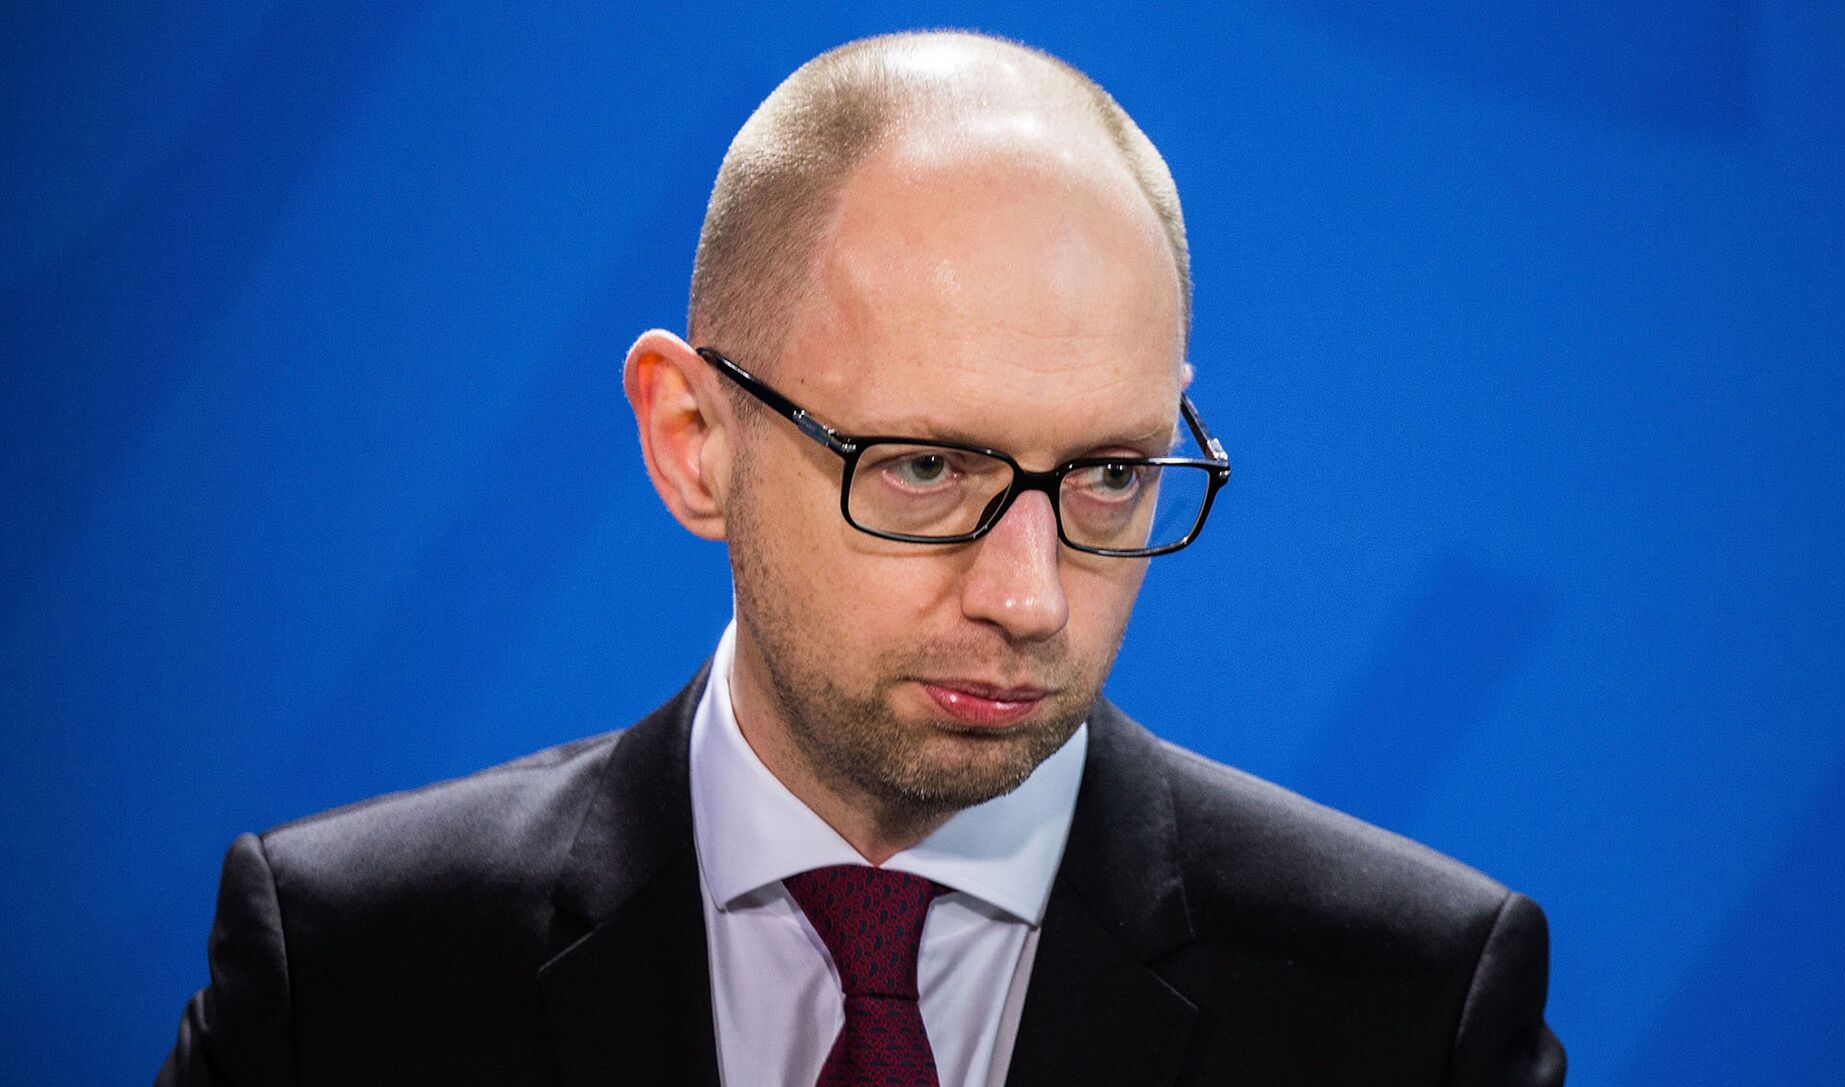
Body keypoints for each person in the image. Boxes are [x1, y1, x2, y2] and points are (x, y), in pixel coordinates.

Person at [159, 30, 1565, 1087]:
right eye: (926, 468)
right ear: (693, 440)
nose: (1029, 598)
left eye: (1109, 476)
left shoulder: (1413, 1010)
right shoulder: (346, 973)